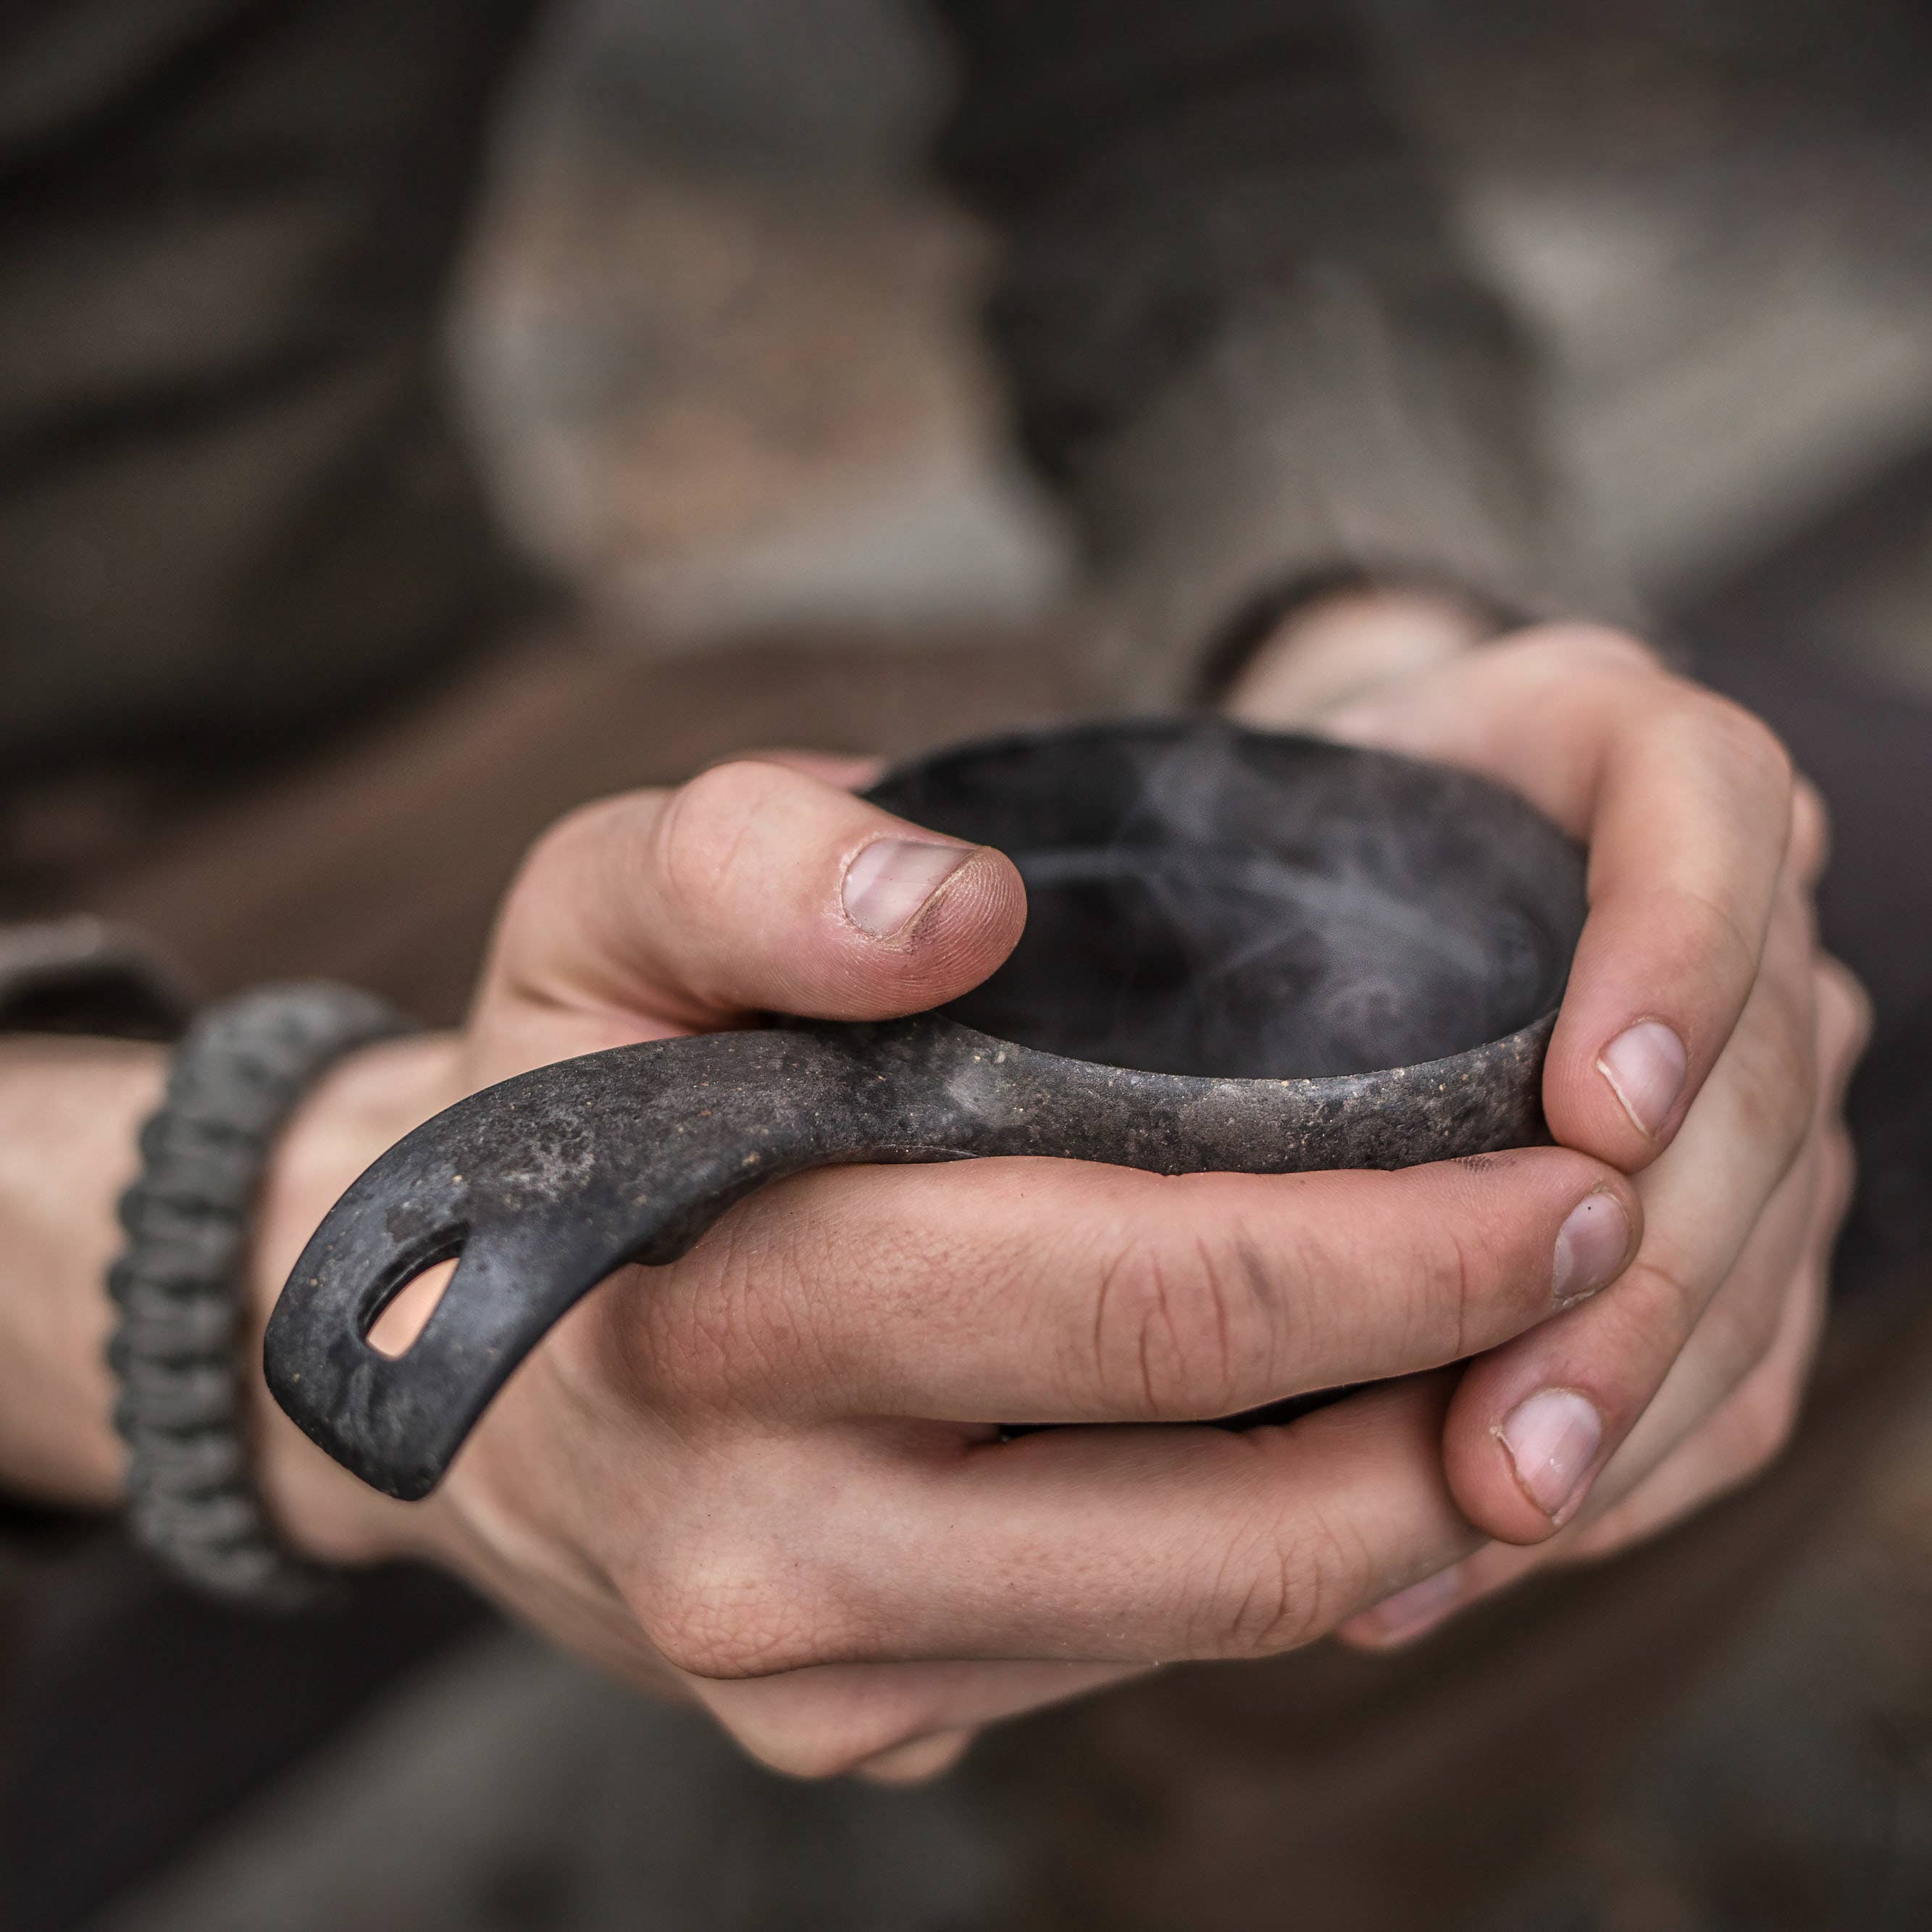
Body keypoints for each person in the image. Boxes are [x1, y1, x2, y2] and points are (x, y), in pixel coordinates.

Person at [0, 0, 1897, 1923]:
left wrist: (1362, 632)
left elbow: (1175, 90)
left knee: (1841, 910)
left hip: (349, 719)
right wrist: (206, 1226)